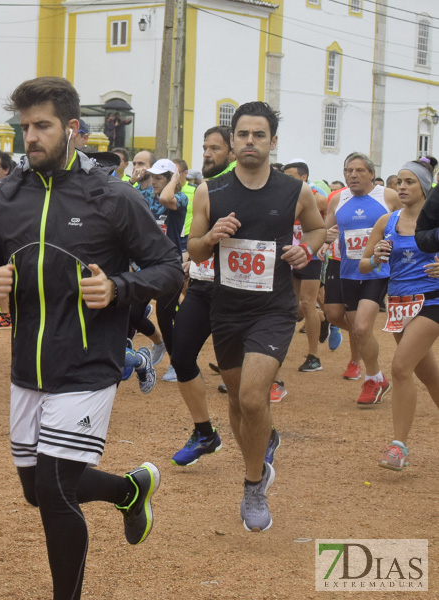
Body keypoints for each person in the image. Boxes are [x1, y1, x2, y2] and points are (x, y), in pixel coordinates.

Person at [0, 77, 182, 600]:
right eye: (25, 127)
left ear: (72, 130)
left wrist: (119, 287)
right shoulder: (4, 196)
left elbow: (169, 268)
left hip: (89, 362)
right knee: (34, 490)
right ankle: (129, 490)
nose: (31, 138)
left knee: (56, 489)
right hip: (29, 367)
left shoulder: (112, 195)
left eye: (41, 126)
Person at [187, 101, 325, 532]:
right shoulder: (212, 190)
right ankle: (259, 453)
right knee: (235, 399)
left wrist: (308, 248)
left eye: (259, 135)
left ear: (273, 141)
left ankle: (252, 483)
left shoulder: (294, 191)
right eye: (243, 134)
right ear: (232, 141)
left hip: (273, 309)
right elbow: (193, 249)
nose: (250, 141)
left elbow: (317, 228)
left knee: (251, 397)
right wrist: (211, 236)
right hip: (226, 309)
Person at [360, 158, 439, 470]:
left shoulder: (434, 222)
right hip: (398, 304)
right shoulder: (387, 221)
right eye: (399, 182)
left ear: (425, 187)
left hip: (432, 301)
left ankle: (398, 447)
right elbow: (364, 264)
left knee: (401, 367)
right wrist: (376, 258)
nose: (402, 187)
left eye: (410, 182)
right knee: (428, 375)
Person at [170, 125, 236, 467]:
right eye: (205, 147)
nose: (207, 154)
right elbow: (196, 239)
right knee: (181, 356)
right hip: (200, 285)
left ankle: (265, 433)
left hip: (235, 291)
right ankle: (204, 433)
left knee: (237, 373)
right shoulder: (203, 189)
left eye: (215, 148)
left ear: (233, 151)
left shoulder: (244, 188)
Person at [323, 152, 401, 405]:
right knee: (338, 317)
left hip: (378, 270)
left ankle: (372, 379)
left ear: (370, 173)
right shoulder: (338, 199)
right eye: (348, 171)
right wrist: (328, 235)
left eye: (358, 170)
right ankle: (377, 373)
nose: (353, 175)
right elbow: (325, 230)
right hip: (347, 270)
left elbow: (408, 221)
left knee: (362, 327)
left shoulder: (387, 196)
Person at [138, 158, 187, 380]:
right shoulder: (147, 195)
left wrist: (176, 178)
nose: (153, 182)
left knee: (165, 315)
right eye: (153, 177)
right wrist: (135, 181)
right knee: (131, 312)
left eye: (159, 178)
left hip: (170, 265)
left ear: (170, 179)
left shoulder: (180, 198)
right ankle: (159, 343)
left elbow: (167, 198)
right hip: (147, 263)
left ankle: (177, 363)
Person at [282, 160, 328, 373]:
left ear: (303, 178)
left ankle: (314, 356)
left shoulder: (316, 198)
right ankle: (323, 319)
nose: (285, 181)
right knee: (293, 306)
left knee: (308, 303)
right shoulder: (285, 196)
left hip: (311, 256)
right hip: (291, 256)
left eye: (290, 177)